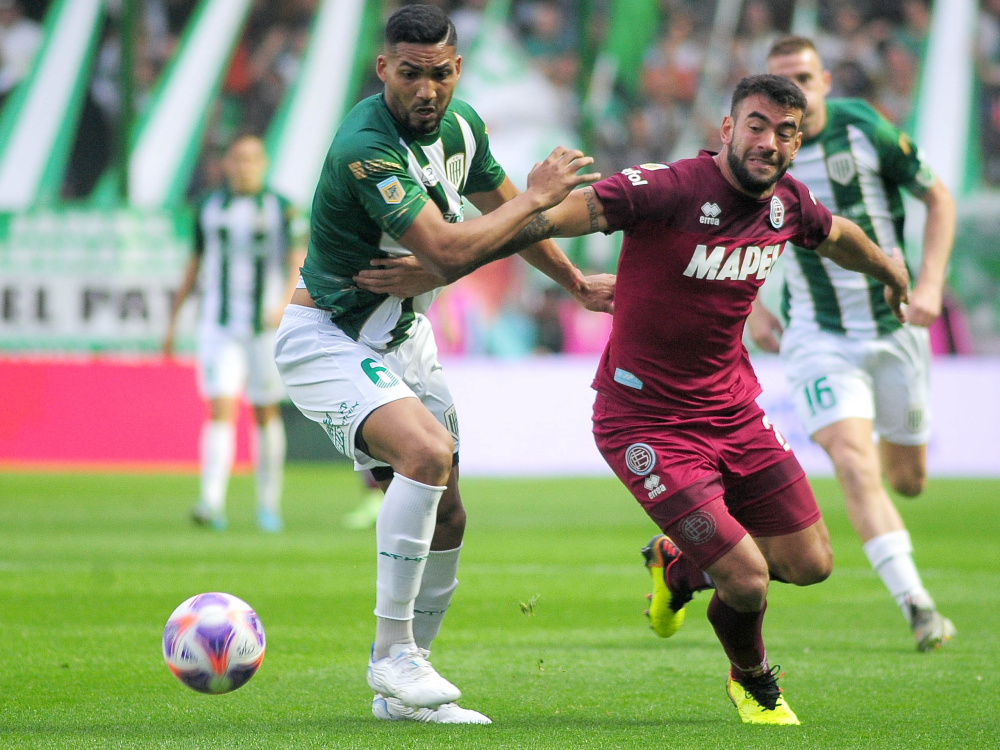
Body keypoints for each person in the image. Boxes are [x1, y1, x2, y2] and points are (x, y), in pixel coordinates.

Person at [489, 73, 910, 725]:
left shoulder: (788, 203)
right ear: (728, 130)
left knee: (811, 563)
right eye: (758, 125)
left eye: (786, 132)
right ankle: (753, 681)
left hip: (733, 411)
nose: (769, 141)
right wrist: (528, 211)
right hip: (644, 421)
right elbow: (569, 216)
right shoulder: (670, 187)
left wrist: (889, 268)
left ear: (797, 144)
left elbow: (838, 236)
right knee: (746, 579)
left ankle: (678, 569)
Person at [273, 4, 613, 725]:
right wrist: (533, 198)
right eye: (410, 75)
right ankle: (390, 653)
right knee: (427, 455)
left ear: (456, 69)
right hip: (328, 338)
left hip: (404, 340)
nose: (425, 91)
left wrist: (574, 282)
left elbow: (508, 220)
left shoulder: (462, 129)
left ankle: (404, 686)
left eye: (439, 75)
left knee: (450, 511)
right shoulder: (366, 146)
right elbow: (452, 249)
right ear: (383, 70)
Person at [748, 35, 957, 652]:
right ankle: (917, 605)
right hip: (818, 334)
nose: (798, 92)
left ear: (826, 81)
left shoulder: (863, 130)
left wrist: (932, 282)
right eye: (784, 81)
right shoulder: (762, 152)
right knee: (852, 460)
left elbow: (937, 196)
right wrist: (756, 308)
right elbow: (730, 224)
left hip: (895, 330)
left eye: (806, 79)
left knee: (908, 478)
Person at [164, 134, 307, 533]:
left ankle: (268, 505)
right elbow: (195, 262)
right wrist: (174, 319)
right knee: (220, 408)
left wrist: (283, 304)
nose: (244, 167)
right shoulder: (208, 206)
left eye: (251, 160)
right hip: (219, 324)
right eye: (237, 159)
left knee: (264, 411)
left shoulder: (282, 208)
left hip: (265, 326)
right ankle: (210, 502)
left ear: (263, 164)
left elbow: (299, 261)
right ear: (227, 163)